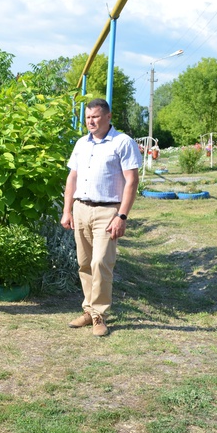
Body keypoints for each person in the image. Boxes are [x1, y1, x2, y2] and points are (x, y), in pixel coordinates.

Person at [60, 98, 141, 337]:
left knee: (101, 263)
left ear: (108, 117)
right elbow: (71, 179)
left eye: (95, 117)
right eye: (88, 117)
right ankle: (88, 310)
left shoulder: (122, 142)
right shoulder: (81, 144)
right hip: (81, 209)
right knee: (84, 264)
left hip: (108, 211)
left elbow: (132, 181)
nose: (90, 121)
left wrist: (122, 216)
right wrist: (67, 210)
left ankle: (99, 316)